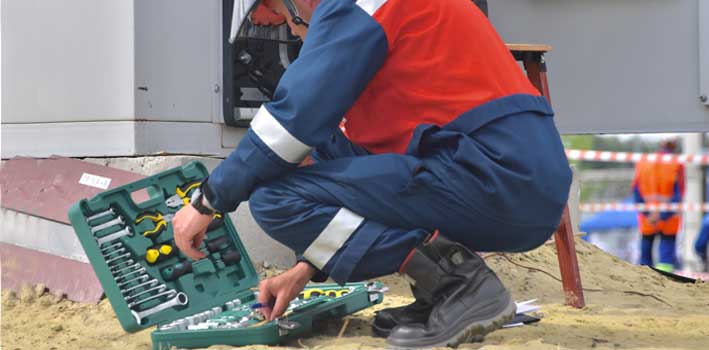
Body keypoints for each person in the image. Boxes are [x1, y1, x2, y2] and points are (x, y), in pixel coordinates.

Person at [172, 0, 572, 347]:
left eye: (286, 17)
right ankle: (441, 290)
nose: (295, 33)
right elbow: (344, 171)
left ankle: (461, 284)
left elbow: (292, 122)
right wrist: (304, 269)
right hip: (501, 172)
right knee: (325, 143)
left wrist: (208, 201)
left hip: (497, 175)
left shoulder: (359, 5)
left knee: (274, 200)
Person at [632, 140, 684, 272]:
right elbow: (679, 193)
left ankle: (644, 280)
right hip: (669, 217)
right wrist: (663, 215)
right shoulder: (676, 163)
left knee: (645, 251)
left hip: (648, 217)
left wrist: (649, 214)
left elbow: (636, 191)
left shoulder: (643, 162)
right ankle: (665, 281)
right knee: (666, 257)